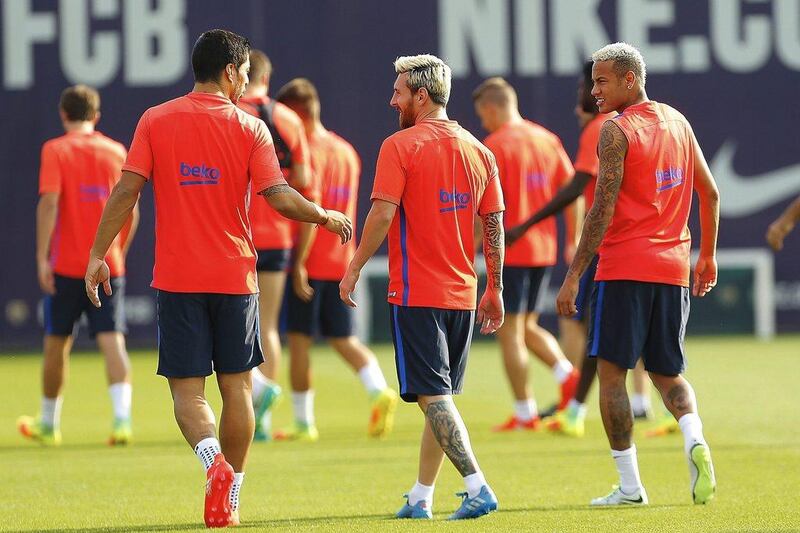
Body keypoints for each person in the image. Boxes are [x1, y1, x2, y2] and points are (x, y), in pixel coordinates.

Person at [84, 29, 352, 528]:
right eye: (245, 72)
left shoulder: (155, 119)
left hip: (179, 278)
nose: (246, 81)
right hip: (236, 276)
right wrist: (323, 216)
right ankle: (233, 493)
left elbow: (126, 192)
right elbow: (278, 195)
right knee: (238, 389)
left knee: (188, 393)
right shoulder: (252, 128)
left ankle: (214, 466)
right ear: (230, 71)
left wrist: (99, 252)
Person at [340, 54, 504, 520]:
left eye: (398, 92)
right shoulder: (480, 150)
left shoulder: (400, 146)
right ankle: (420, 497)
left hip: (417, 293)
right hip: (463, 294)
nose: (392, 100)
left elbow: (382, 213)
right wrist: (495, 287)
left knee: (433, 399)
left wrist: (353, 266)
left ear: (421, 96)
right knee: (441, 398)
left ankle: (477, 485)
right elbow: (493, 221)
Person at [556, 42, 719, 506]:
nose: (595, 90)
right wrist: (707, 256)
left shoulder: (616, 130)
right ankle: (694, 439)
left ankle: (630, 487)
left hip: (624, 268)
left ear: (630, 79)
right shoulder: (679, 122)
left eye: (603, 80)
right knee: (669, 375)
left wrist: (573, 276)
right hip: (672, 269)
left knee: (611, 379)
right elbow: (710, 193)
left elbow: (601, 209)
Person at [272, 77, 399, 441]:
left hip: (310, 262)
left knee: (299, 341)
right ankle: (379, 390)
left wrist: (298, 262)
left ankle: (303, 422)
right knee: (344, 339)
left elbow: (314, 211)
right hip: (341, 258)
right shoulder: (346, 151)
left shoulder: (305, 151)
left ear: (296, 112)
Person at [18, 85, 138, 447]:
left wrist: (42, 257)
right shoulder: (115, 150)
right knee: (112, 339)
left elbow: (49, 204)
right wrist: (118, 253)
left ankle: (49, 423)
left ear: (63, 114)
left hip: (68, 264)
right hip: (106, 264)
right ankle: (122, 422)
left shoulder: (55, 149)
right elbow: (130, 209)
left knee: (57, 342)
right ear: (96, 116)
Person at [471, 77, 579, 432]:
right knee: (527, 326)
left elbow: (484, 207)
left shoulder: (493, 146)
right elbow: (572, 190)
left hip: (511, 250)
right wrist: (571, 237)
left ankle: (524, 412)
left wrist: (470, 244)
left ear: (492, 108)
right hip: (543, 249)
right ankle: (568, 376)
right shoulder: (547, 139)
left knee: (509, 332)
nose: (483, 123)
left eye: (482, 115)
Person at [238, 49, 311, 441]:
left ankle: (257, 396)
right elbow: (303, 177)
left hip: (239, 232)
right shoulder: (289, 120)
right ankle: (261, 417)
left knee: (234, 326)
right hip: (279, 233)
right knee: (268, 324)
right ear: (269, 76)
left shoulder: (233, 114)